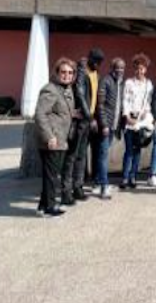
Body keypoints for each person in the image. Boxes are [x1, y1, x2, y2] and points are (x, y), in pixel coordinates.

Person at [34, 57, 76, 217]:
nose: (67, 75)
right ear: (57, 73)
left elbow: (59, 111)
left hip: (60, 139)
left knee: (50, 175)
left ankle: (43, 206)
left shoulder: (65, 89)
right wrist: (49, 136)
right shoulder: (50, 89)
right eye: (63, 72)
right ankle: (50, 207)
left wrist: (73, 114)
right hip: (52, 140)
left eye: (70, 73)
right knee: (52, 176)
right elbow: (39, 114)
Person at [61, 48, 103, 205]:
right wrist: (89, 117)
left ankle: (78, 187)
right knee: (71, 157)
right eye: (96, 61)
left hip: (88, 121)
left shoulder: (95, 75)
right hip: (80, 120)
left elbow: (94, 98)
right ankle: (66, 192)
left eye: (100, 63)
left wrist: (94, 118)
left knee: (81, 156)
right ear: (90, 59)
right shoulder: (81, 73)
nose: (98, 65)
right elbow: (80, 95)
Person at [120, 53, 154, 189]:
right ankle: (125, 177)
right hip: (130, 120)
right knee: (128, 150)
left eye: (142, 68)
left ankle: (133, 176)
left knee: (137, 150)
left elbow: (148, 102)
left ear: (145, 69)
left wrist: (141, 117)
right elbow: (125, 100)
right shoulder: (129, 83)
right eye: (137, 68)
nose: (140, 71)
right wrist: (127, 117)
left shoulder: (149, 85)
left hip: (141, 120)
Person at [95, 57, 126, 199]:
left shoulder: (121, 83)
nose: (120, 70)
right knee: (103, 155)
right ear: (112, 68)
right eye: (118, 67)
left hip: (114, 125)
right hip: (106, 125)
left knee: (103, 153)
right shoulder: (106, 81)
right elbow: (100, 105)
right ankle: (103, 186)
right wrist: (104, 124)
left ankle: (98, 181)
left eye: (122, 68)